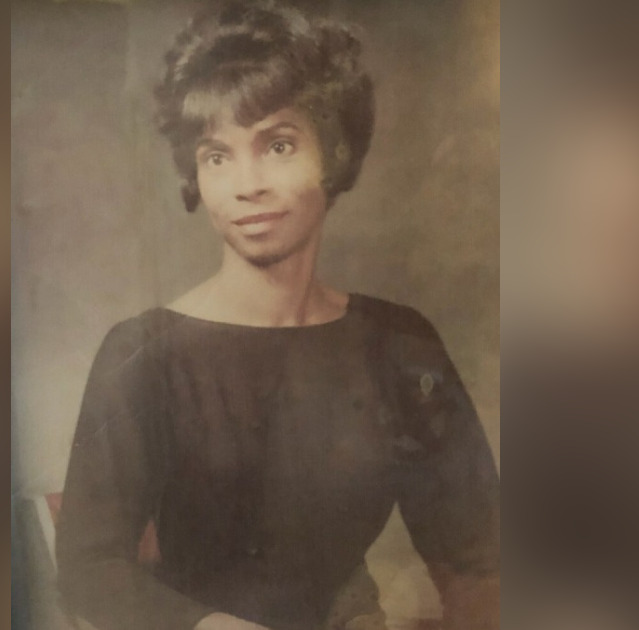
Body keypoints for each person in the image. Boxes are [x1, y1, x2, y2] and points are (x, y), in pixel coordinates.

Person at [55, 3, 500, 629]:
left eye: (279, 145)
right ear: (195, 175)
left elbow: (479, 558)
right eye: (217, 156)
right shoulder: (143, 352)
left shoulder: (400, 345)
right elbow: (89, 569)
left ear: (334, 153)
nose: (247, 184)